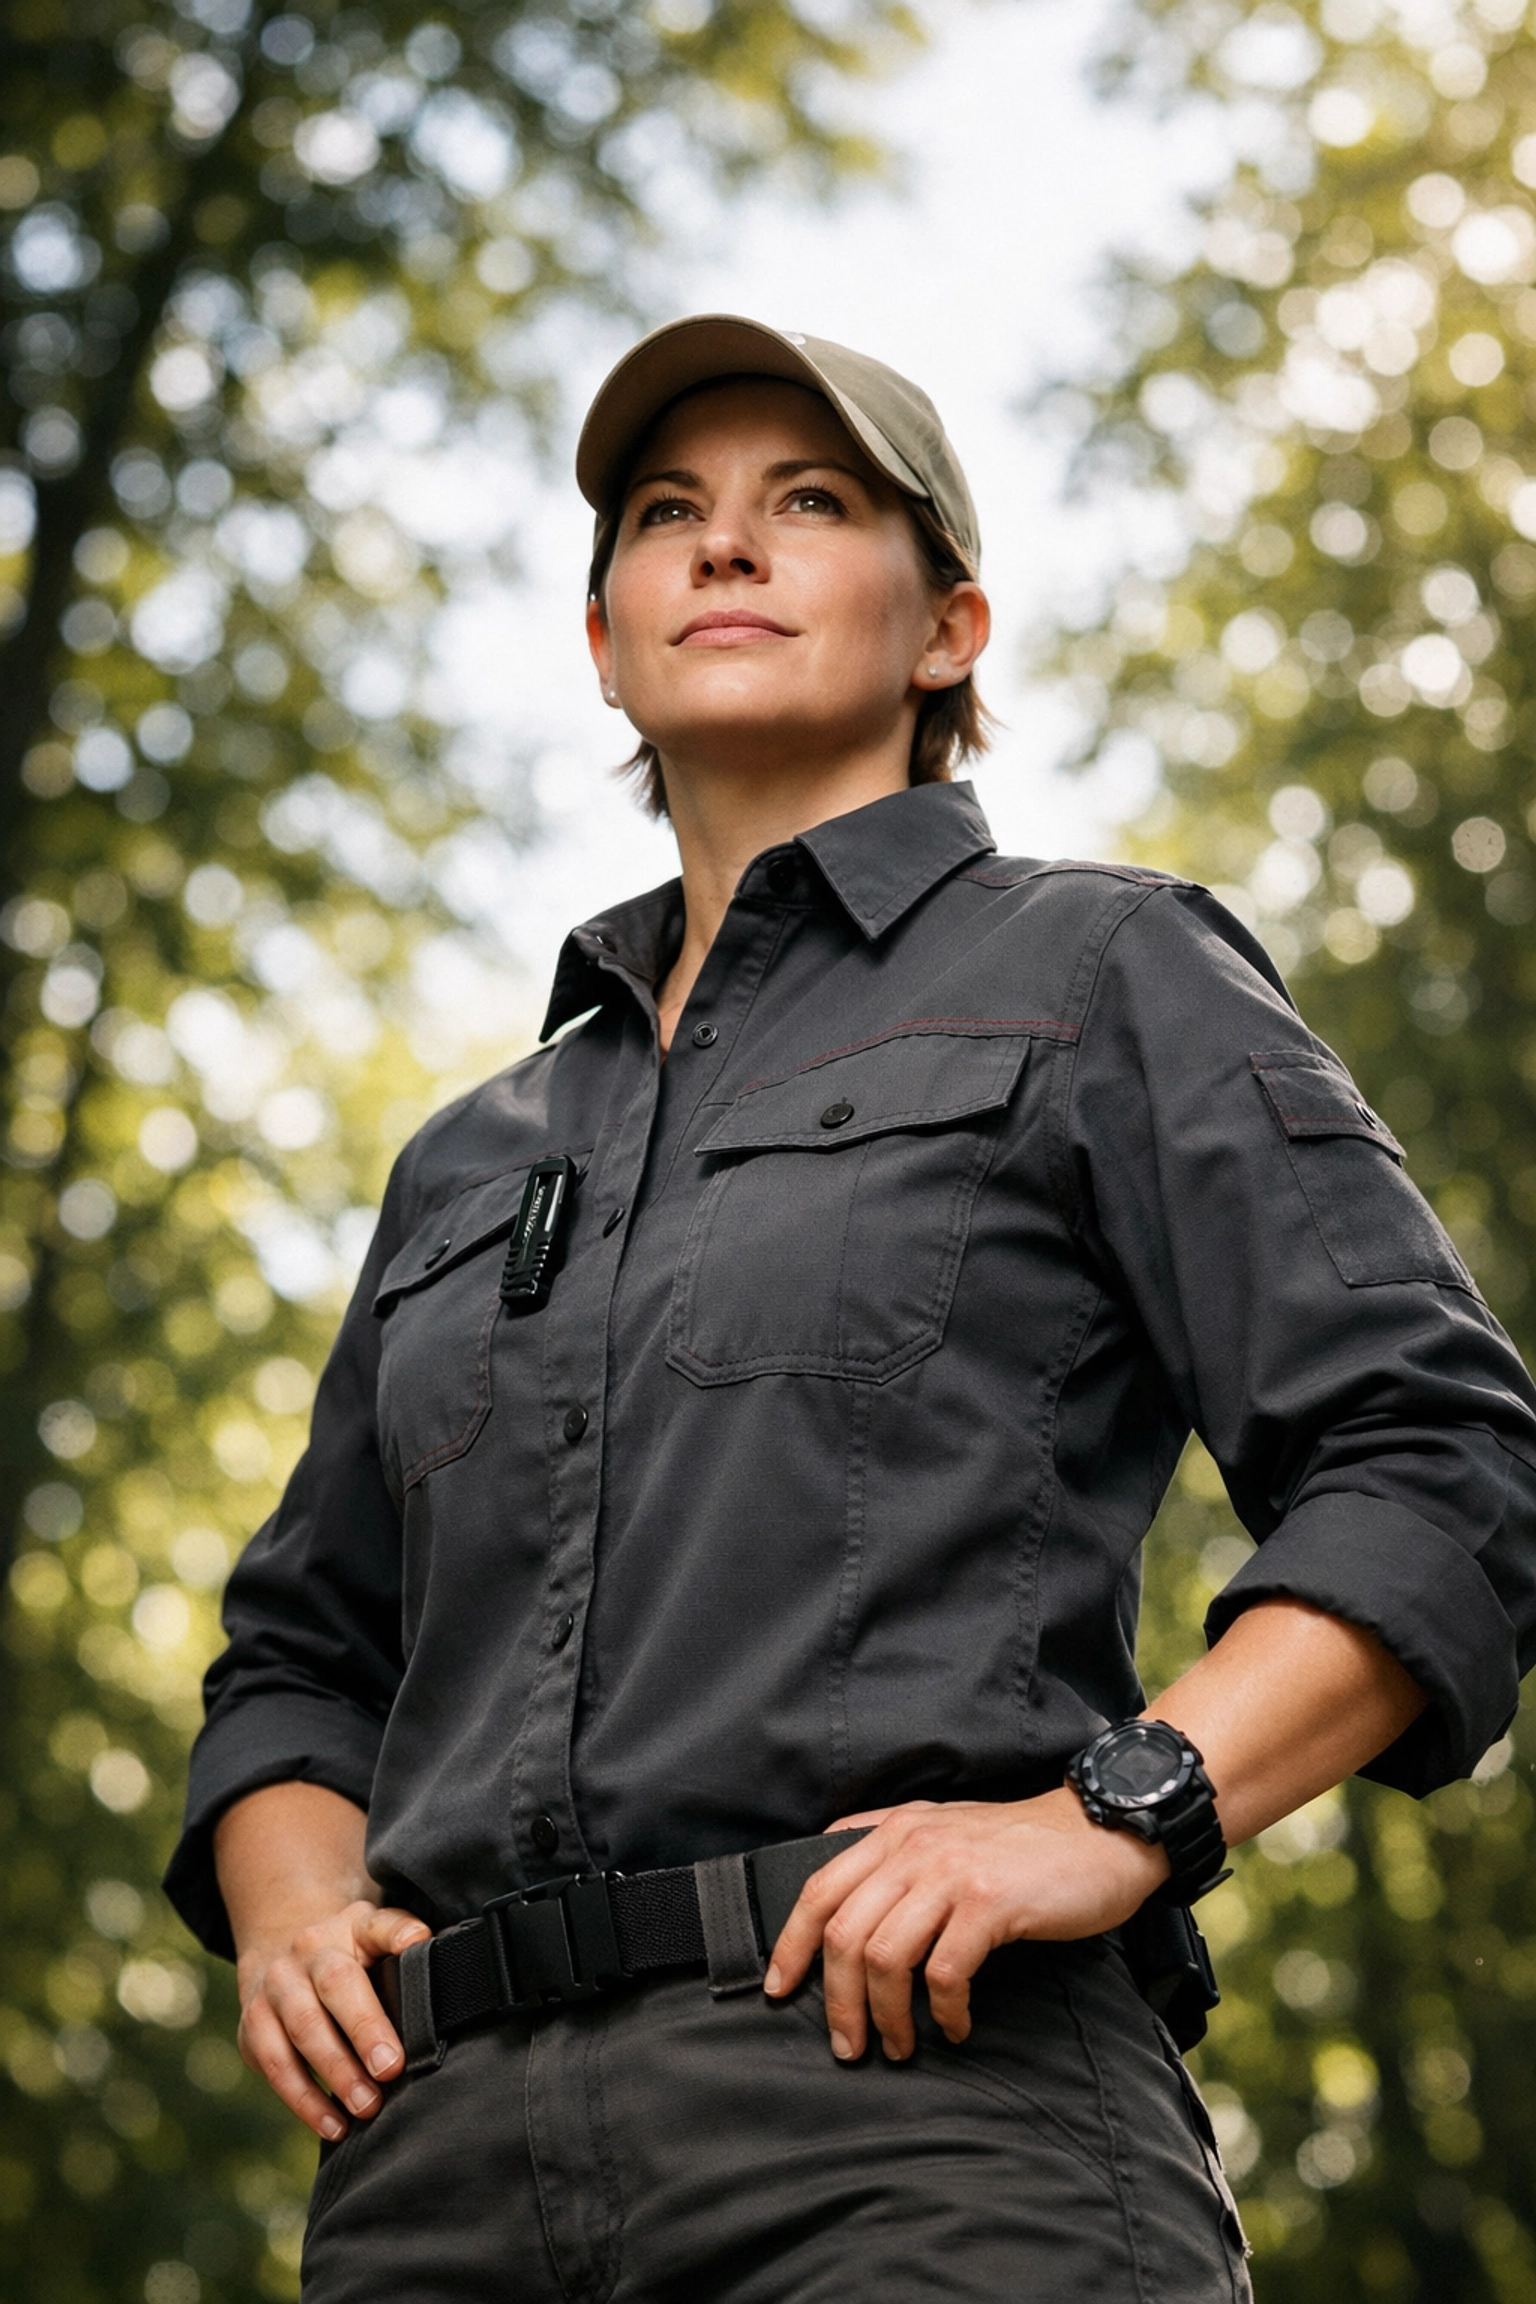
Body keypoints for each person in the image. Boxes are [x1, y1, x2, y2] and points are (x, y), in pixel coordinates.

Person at [167, 314, 1536, 2304]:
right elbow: (298, 1654)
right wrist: (294, 1918)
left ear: (948, 628)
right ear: (604, 637)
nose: (725, 547)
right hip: (432, 2192)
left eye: (808, 504)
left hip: (924, 2134)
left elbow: (1435, 1463)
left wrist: (1122, 1807)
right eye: (667, 514)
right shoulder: (473, 1156)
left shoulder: (1103, 966)